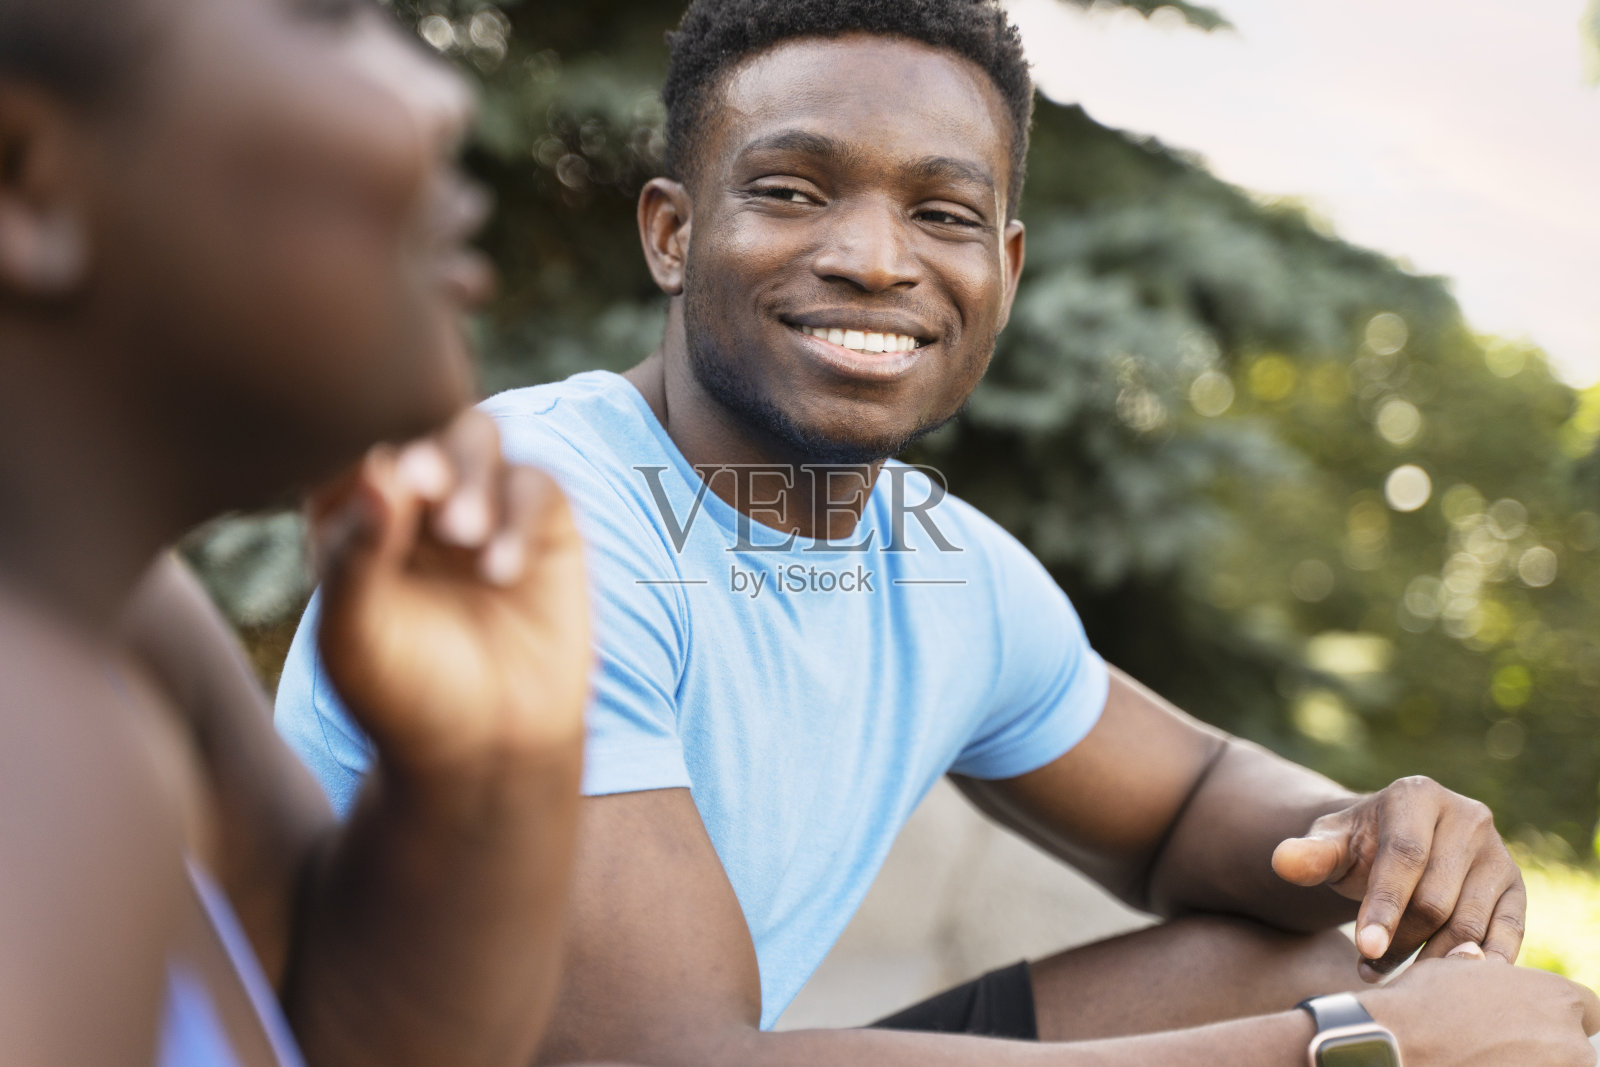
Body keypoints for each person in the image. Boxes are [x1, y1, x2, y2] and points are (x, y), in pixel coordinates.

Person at [275, 0, 1600, 1064]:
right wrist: (1346, 1049)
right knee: (1356, 1021)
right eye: (792, 190)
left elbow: (1184, 804)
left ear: (1005, 271)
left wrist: (1376, 832)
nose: (873, 256)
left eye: (942, 213)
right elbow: (652, 1054)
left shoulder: (940, 567)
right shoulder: (545, 508)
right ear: (674, 232)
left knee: (1339, 957)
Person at [0, 0, 596, 1064]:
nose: (445, 97)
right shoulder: (30, 729)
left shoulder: (129, 626)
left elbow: (319, 1026)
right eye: (324, 21)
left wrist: (483, 768)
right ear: (21, 177)